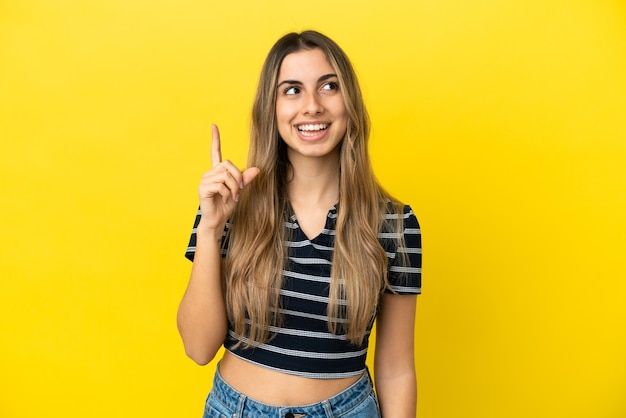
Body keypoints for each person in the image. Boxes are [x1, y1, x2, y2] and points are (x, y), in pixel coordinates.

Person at [177, 30, 422, 418]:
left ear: (350, 102)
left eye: (328, 86)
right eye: (292, 90)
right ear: (270, 108)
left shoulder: (394, 224)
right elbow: (197, 348)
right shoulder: (229, 206)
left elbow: (395, 369)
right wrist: (209, 229)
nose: (311, 106)